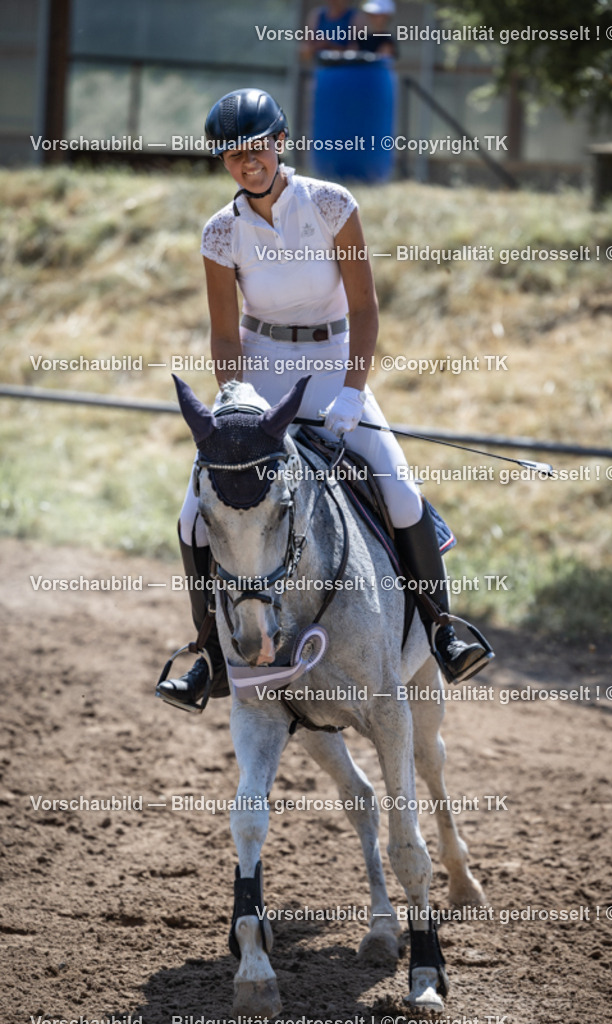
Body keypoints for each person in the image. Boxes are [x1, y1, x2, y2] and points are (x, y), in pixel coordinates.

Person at [156, 87, 492, 710]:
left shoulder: (333, 205)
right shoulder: (220, 234)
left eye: (256, 148)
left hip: (336, 360)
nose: (247, 162)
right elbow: (226, 334)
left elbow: (364, 309)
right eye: (232, 155)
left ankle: (443, 631)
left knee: (398, 488)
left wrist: (352, 391)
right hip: (261, 376)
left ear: (280, 143)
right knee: (191, 514)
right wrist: (234, 401)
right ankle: (208, 654)